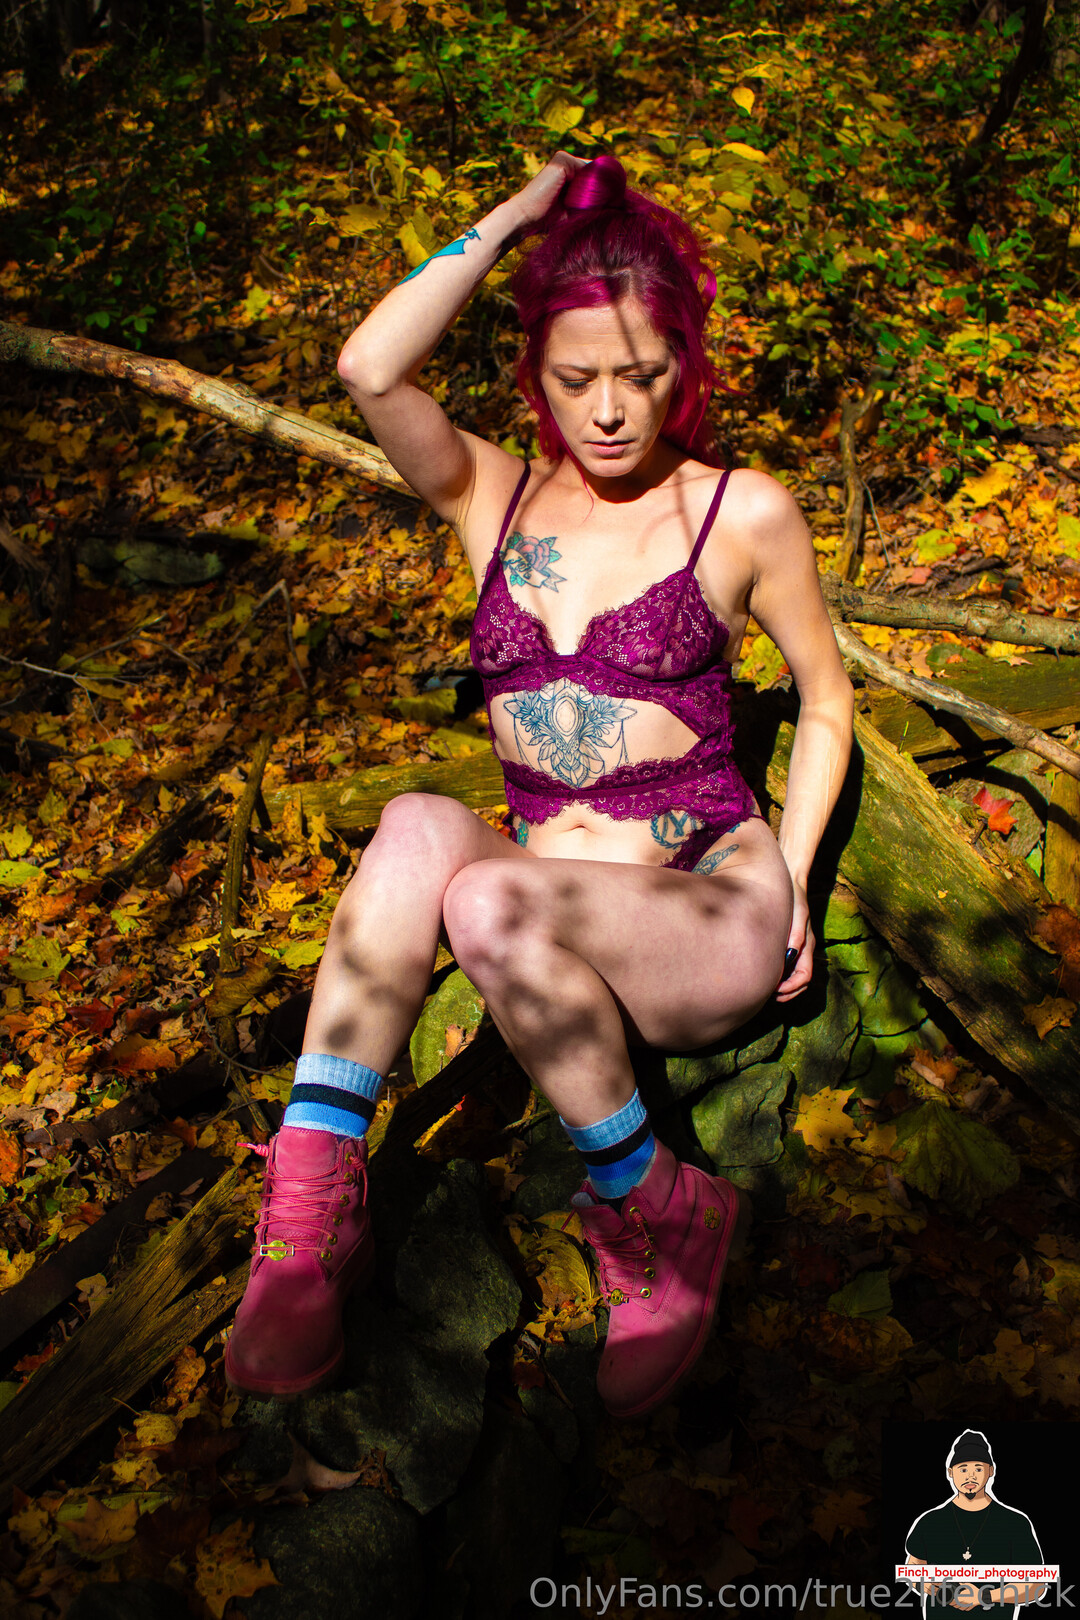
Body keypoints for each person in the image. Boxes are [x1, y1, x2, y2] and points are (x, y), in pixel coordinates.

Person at [224, 152, 854, 1417]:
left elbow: (827, 698)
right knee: (417, 825)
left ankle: (661, 1208)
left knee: (485, 900)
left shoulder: (741, 512)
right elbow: (368, 368)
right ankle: (311, 1207)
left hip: (700, 905)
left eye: (642, 374)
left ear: (685, 363)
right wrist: (518, 215)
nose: (610, 409)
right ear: (535, 373)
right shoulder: (491, 495)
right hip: (535, 904)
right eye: (576, 379)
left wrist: (791, 879)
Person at [902, 1430, 1048, 1614]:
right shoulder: (929, 1522)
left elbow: (1036, 1585)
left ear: (991, 1471)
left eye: (978, 1469)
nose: (970, 1476)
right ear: (950, 1472)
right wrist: (922, 1584)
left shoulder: (1015, 1524)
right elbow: (912, 1568)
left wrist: (982, 1597)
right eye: (963, 1469)